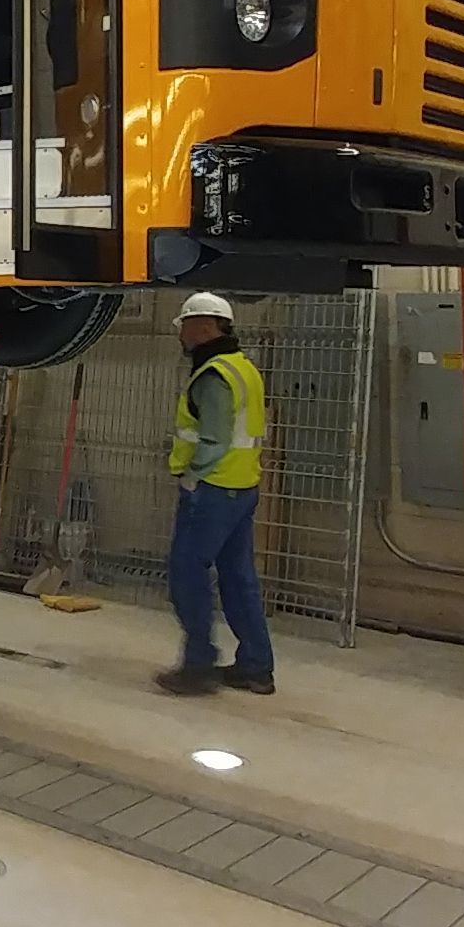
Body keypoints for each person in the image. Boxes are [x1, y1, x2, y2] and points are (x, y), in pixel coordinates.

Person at [156, 291, 276, 699]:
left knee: (187, 575)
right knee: (239, 578)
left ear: (205, 326)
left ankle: (198, 666)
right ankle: (256, 668)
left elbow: (214, 437)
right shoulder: (244, 368)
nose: (182, 335)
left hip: (212, 490)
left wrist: (192, 476)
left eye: (186, 326)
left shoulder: (213, 375)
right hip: (242, 488)